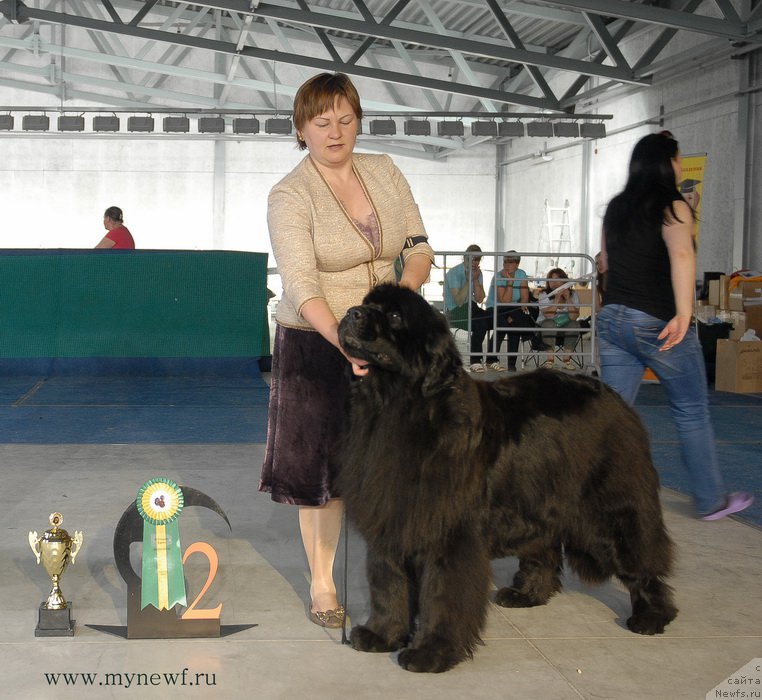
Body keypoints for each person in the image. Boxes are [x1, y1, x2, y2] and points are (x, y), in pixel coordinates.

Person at [258, 72, 434, 627]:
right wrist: (347, 344)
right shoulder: (290, 194)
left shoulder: (384, 170)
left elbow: (417, 243)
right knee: (323, 474)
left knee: (400, 464)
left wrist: (402, 305)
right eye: (322, 121)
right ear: (301, 129)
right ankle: (322, 583)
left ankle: (404, 577)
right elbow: (302, 284)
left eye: (346, 118)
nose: (336, 132)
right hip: (316, 345)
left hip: (389, 342)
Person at [598, 130, 752, 521]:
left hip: (614, 318)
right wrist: (684, 313)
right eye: (678, 159)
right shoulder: (672, 206)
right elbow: (682, 253)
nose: (682, 165)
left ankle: (585, 494)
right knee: (691, 410)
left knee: (611, 414)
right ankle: (710, 499)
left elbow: (604, 263)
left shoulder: (615, 208)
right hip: (657, 322)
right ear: (666, 163)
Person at [443, 244, 496, 372]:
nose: (474, 262)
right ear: (465, 258)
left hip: (472, 306)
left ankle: (491, 359)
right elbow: (459, 301)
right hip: (455, 310)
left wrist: (476, 280)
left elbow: (479, 299)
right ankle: (475, 361)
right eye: (471, 259)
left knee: (497, 320)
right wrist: (469, 280)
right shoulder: (454, 273)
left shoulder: (478, 273)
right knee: (480, 323)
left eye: (477, 259)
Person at [485, 251, 535, 371]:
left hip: (513, 308)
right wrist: (510, 282)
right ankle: (491, 360)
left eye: (510, 262)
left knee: (515, 325)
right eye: (505, 261)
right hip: (496, 307)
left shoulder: (521, 274)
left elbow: (524, 299)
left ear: (517, 264)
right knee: (502, 324)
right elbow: (504, 301)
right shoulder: (499, 276)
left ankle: (511, 363)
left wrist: (515, 313)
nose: (506, 264)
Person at [536, 267, 581, 370]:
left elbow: (573, 317)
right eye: (551, 280)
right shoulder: (544, 294)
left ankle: (566, 360)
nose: (554, 283)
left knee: (574, 324)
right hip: (546, 326)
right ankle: (550, 360)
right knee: (549, 323)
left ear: (565, 281)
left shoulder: (573, 295)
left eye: (557, 280)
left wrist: (568, 299)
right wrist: (556, 300)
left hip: (565, 326)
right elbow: (549, 315)